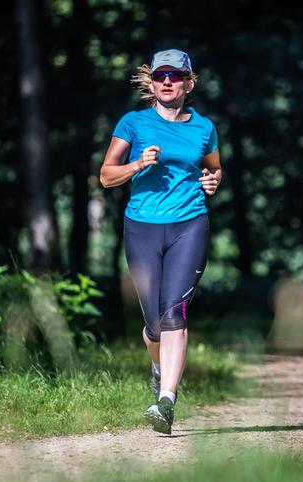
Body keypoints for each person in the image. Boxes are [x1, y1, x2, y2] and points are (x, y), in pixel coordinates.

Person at [99, 49, 221, 434]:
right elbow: (105, 176)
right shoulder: (133, 123)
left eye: (175, 76)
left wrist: (213, 181)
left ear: (189, 82)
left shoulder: (204, 128)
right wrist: (136, 165)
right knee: (153, 325)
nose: (167, 82)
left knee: (174, 313)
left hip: (189, 225)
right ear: (151, 82)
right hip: (142, 228)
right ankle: (158, 367)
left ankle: (166, 400)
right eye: (160, 76)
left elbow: (214, 170)